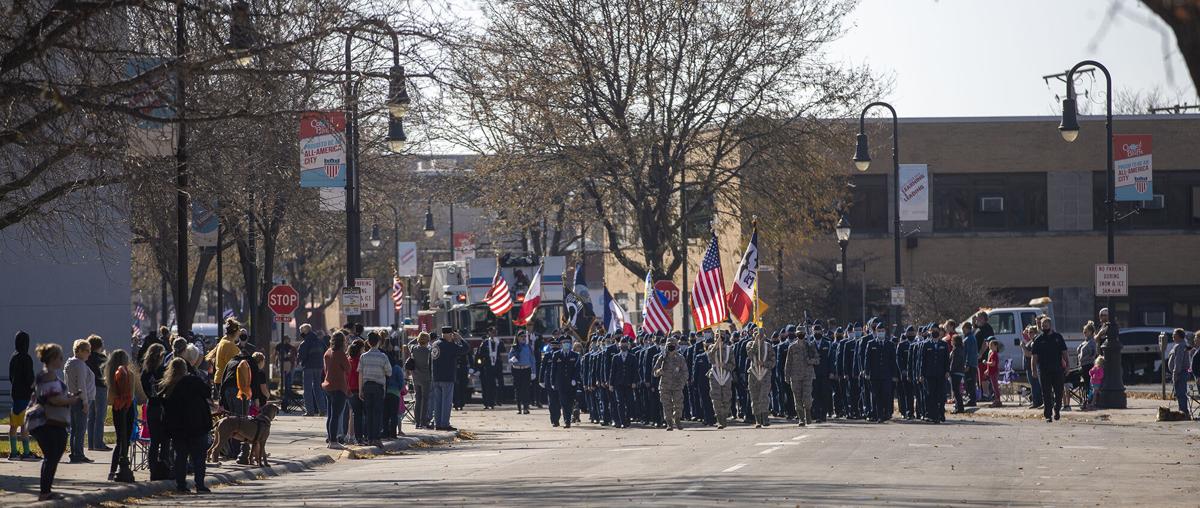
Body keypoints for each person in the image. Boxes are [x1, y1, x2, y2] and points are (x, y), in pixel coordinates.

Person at [28, 343, 79, 500]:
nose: (62, 360)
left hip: (45, 422)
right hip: (47, 422)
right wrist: (71, 400)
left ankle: (46, 491)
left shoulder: (47, 375)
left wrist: (67, 397)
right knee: (52, 455)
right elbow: (54, 400)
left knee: (52, 456)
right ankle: (45, 492)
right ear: (52, 359)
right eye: (60, 357)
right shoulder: (48, 376)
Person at [159, 357, 213, 493]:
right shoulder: (193, 381)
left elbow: (164, 404)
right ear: (185, 369)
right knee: (199, 457)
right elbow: (207, 392)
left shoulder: (169, 385)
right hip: (197, 424)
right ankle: (199, 484)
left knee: (180, 457)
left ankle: (181, 485)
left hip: (178, 427)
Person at [1029, 317, 1068, 422]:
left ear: (1050, 325)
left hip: (1057, 369)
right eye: (1042, 326)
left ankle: (1057, 409)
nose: (1044, 327)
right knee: (1046, 393)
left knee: (1059, 392)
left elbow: (1064, 352)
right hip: (1044, 370)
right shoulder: (1038, 339)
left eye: (1046, 325)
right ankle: (1048, 415)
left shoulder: (1058, 337)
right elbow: (1034, 356)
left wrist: (1067, 366)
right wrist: (1034, 370)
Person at [105, 349, 135, 482]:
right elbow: (132, 394)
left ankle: (112, 470)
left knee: (119, 440)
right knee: (125, 440)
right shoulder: (129, 374)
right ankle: (122, 464)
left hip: (117, 408)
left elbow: (110, 399)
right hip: (127, 407)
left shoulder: (111, 375)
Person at [63, 338, 95, 463]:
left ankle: (74, 452)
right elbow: (81, 384)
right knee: (80, 429)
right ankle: (78, 454)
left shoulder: (69, 363)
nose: (89, 353)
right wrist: (85, 402)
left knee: (74, 429)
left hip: (71, 398)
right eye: (87, 351)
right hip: (80, 399)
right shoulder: (80, 364)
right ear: (80, 351)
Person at [141, 343, 169, 479]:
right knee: (164, 440)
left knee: (154, 441)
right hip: (162, 407)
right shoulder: (163, 371)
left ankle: (153, 470)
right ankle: (164, 468)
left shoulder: (145, 372)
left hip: (151, 406)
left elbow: (147, 391)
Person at [9, 331, 39, 461]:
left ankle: (14, 452)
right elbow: (29, 378)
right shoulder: (26, 358)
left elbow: (11, 377)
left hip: (15, 394)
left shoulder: (13, 357)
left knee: (14, 424)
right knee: (25, 424)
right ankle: (26, 452)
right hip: (25, 395)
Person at [358, 333, 391, 447]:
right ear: (378, 342)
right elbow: (389, 372)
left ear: (368, 342)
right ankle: (376, 438)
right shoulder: (383, 356)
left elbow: (360, 373)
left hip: (367, 386)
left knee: (369, 413)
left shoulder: (363, 356)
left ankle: (369, 437)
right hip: (378, 387)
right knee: (377, 413)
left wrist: (360, 390)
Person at [431, 330, 469, 431]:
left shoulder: (435, 344)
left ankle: (438, 424)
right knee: (446, 402)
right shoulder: (450, 346)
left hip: (436, 377)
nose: (453, 337)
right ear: (449, 335)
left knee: (437, 402)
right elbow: (466, 349)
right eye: (452, 335)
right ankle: (444, 424)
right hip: (447, 377)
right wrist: (460, 339)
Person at [322, 332, 351, 448]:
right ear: (342, 342)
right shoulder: (340, 354)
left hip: (328, 385)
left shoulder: (327, 352)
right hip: (339, 387)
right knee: (336, 415)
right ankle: (334, 441)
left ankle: (330, 439)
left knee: (330, 415)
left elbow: (325, 369)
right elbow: (348, 368)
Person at [654, 337, 687, 431]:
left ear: (676, 346)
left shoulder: (680, 358)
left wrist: (682, 383)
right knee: (667, 405)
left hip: (677, 385)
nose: (671, 347)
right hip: (665, 385)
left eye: (673, 345)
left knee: (678, 405)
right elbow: (654, 371)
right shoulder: (662, 357)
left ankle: (677, 419)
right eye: (669, 346)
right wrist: (658, 371)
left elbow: (685, 372)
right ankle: (669, 423)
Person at [744, 329, 776, 428]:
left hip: (765, 374)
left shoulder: (768, 346)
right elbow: (750, 354)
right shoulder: (749, 344)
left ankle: (765, 419)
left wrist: (765, 364)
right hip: (753, 375)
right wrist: (757, 342)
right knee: (755, 398)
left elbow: (773, 361)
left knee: (764, 397)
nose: (759, 336)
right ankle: (758, 420)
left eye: (761, 335)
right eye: (756, 335)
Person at [84, 335, 110, 453]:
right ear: (99, 346)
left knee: (91, 416)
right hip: (100, 387)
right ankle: (98, 443)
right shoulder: (102, 358)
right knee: (100, 416)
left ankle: (91, 443)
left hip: (89, 388)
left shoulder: (86, 358)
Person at [206, 318, 242, 396]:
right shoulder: (230, 346)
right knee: (230, 407)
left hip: (220, 379)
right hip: (227, 381)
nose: (240, 333)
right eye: (239, 331)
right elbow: (235, 365)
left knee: (224, 406)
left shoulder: (223, 342)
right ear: (235, 332)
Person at [297, 324, 327, 417]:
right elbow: (325, 352)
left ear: (305, 331)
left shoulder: (305, 343)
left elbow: (301, 356)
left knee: (307, 389)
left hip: (308, 367)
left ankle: (310, 411)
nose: (300, 333)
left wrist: (302, 361)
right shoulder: (320, 341)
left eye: (301, 331)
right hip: (319, 367)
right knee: (318, 388)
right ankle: (322, 410)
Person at [706, 333, 734, 429]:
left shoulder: (729, 349)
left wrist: (725, 366)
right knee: (716, 399)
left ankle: (724, 417)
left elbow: (733, 364)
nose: (718, 339)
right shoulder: (711, 348)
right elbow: (709, 358)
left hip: (726, 376)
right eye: (716, 337)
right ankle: (719, 419)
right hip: (715, 376)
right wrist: (716, 347)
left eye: (720, 338)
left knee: (726, 398)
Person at [475, 328, 504, 410]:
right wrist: (479, 366)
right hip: (488, 366)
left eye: (495, 332)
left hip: (497, 366)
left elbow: (503, 350)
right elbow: (480, 354)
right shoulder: (485, 343)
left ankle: (497, 400)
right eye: (492, 332)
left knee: (498, 384)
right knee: (488, 385)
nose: (493, 334)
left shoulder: (499, 342)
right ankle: (488, 402)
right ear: (489, 333)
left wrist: (499, 344)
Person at [409, 333, 434, 428]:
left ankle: (417, 422)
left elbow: (409, 343)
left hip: (415, 377)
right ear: (427, 340)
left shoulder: (413, 349)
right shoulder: (429, 351)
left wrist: (418, 338)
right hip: (426, 377)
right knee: (425, 399)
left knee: (417, 399)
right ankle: (423, 421)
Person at [508, 332, 536, 414]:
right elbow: (509, 359)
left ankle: (526, 407)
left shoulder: (528, 347)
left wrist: (533, 371)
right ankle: (519, 408)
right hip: (517, 370)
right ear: (518, 338)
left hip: (526, 369)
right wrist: (512, 360)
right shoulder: (514, 347)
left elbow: (532, 359)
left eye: (524, 336)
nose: (523, 338)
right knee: (518, 389)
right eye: (521, 336)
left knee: (526, 389)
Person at [1166, 328, 1191, 416]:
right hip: (1181, 372)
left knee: (1180, 394)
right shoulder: (1180, 345)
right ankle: (1183, 411)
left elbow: (1178, 361)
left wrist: (1175, 374)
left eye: (1174, 334)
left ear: (1179, 336)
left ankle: (1184, 412)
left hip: (1180, 373)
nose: (1172, 336)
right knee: (1180, 393)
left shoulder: (1180, 346)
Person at [1074, 322, 1099, 410]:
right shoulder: (1085, 341)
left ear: (1091, 332)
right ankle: (1085, 400)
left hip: (1088, 365)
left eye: (1086, 331)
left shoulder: (1092, 342)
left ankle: (1089, 401)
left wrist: (1085, 358)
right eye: (1084, 331)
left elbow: (1093, 354)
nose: (1084, 333)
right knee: (1085, 385)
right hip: (1082, 366)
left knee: (1088, 384)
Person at [275, 334, 296, 407]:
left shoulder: (290, 347)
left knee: (288, 380)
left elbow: (292, 357)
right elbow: (276, 356)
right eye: (286, 339)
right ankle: (283, 393)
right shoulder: (279, 346)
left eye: (287, 339)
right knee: (283, 380)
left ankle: (286, 394)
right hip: (282, 363)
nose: (287, 340)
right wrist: (276, 364)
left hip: (288, 364)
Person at [960, 322, 978, 407]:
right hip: (972, 363)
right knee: (969, 382)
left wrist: (967, 364)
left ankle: (972, 399)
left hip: (970, 364)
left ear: (967, 328)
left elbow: (969, 353)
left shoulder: (969, 339)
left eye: (963, 329)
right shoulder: (970, 337)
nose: (962, 331)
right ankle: (970, 398)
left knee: (970, 382)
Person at [949, 333, 967, 414]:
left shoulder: (956, 350)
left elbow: (953, 362)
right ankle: (958, 406)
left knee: (955, 390)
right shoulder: (961, 349)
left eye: (952, 340)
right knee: (957, 390)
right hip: (960, 372)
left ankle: (959, 407)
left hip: (955, 372)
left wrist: (950, 371)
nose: (951, 341)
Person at [984, 340, 1002, 407]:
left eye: (992, 345)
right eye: (989, 345)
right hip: (992, 372)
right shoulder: (991, 353)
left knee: (995, 387)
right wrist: (987, 370)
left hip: (994, 372)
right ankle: (996, 400)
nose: (990, 346)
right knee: (994, 387)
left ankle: (998, 400)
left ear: (996, 346)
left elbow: (993, 364)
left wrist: (986, 363)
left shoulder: (994, 354)